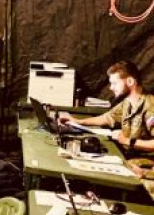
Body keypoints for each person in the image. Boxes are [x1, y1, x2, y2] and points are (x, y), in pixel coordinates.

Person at [59, 61, 154, 197]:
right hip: (128, 157)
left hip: (145, 164)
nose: (111, 88)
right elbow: (106, 118)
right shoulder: (128, 102)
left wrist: (127, 141)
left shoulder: (150, 106)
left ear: (130, 81)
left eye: (114, 83)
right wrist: (78, 121)